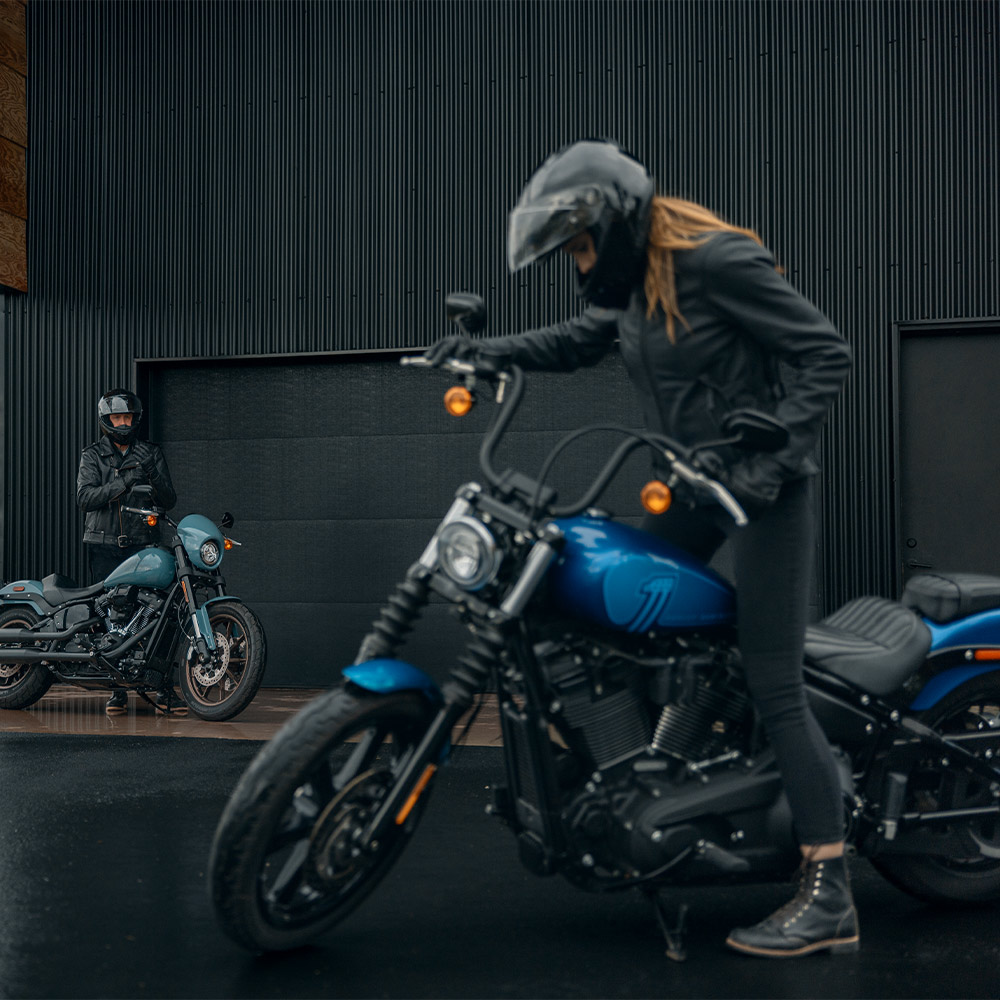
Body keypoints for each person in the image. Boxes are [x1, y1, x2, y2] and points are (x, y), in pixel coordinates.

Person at [424, 139, 855, 958]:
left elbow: (824, 353)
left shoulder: (717, 261)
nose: (579, 263)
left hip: (763, 489)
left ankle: (829, 888)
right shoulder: (638, 290)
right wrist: (487, 353)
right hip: (691, 485)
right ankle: (668, 791)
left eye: (581, 245)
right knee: (619, 611)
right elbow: (580, 339)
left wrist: (769, 451)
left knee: (775, 681)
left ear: (615, 227)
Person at [76, 388, 178, 716]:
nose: (124, 422)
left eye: (128, 417)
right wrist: (124, 483)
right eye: (118, 417)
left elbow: (168, 499)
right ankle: (117, 691)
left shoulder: (150, 452)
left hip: (143, 545)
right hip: (103, 546)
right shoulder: (92, 455)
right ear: (107, 420)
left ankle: (161, 688)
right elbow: (85, 498)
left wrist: (150, 472)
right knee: (112, 618)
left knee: (158, 614)